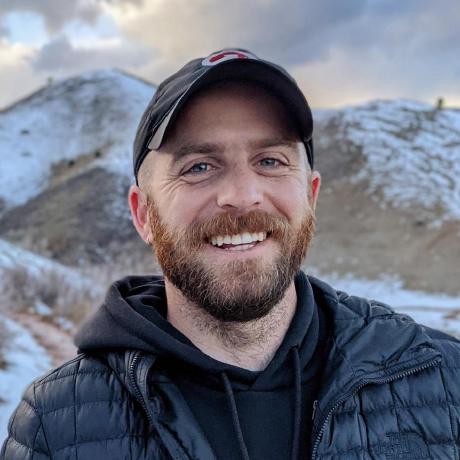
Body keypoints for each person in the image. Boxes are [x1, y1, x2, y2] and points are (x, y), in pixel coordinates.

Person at [2, 48, 460, 460]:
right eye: (199, 167)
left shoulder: (443, 376)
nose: (242, 196)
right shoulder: (55, 426)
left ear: (311, 195)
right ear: (143, 215)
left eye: (270, 161)